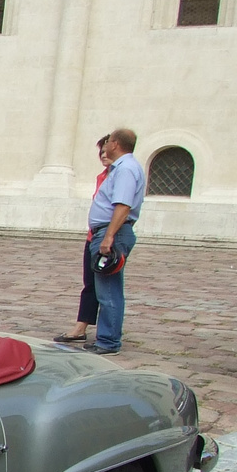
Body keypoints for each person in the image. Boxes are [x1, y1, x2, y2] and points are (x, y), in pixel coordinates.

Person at [83, 128, 145, 356]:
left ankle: (108, 341)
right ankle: (105, 337)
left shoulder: (126, 169)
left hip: (112, 233)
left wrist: (109, 236)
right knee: (105, 290)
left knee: (109, 291)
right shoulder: (119, 169)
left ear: (116, 144)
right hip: (107, 231)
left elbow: (123, 205)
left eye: (108, 141)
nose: (105, 145)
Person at [56, 136, 111, 344]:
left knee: (106, 286)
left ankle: (108, 333)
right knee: (90, 282)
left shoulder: (119, 175)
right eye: (101, 153)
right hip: (93, 235)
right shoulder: (102, 177)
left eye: (107, 151)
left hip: (107, 236)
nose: (104, 156)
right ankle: (82, 325)